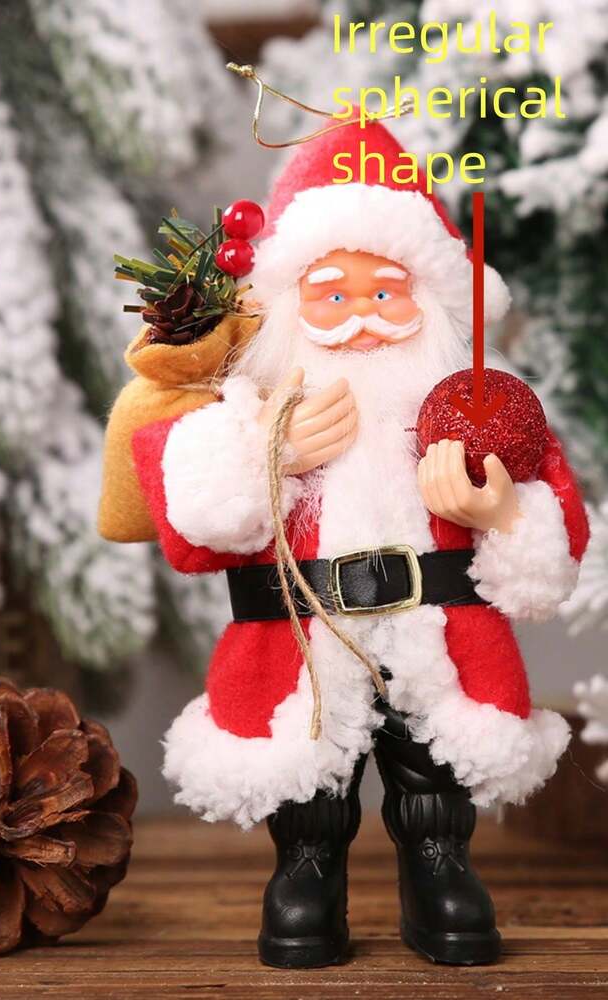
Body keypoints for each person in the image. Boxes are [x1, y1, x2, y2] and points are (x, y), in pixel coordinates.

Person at [130, 116, 589, 969]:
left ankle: (438, 865)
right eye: (331, 296)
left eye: (385, 293)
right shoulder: (248, 409)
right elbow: (193, 533)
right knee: (311, 774)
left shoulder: (479, 408)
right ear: (286, 303)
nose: (361, 319)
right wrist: (265, 457)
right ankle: (306, 870)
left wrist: (501, 515)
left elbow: (550, 543)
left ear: (432, 300)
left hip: (439, 629)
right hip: (300, 635)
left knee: (431, 770)